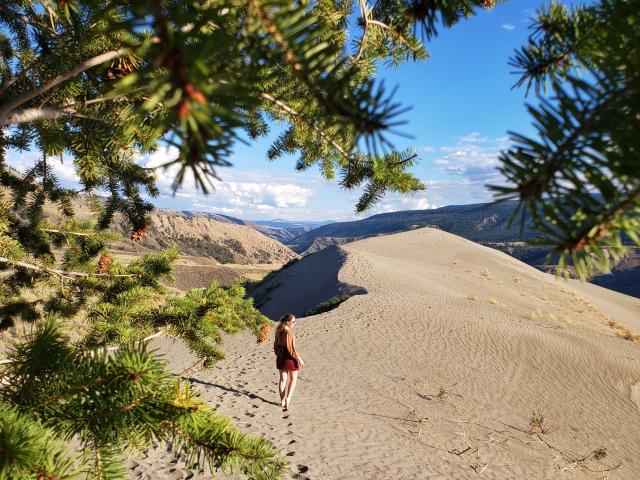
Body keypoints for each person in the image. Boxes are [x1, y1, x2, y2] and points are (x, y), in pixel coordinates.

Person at [273, 313, 304, 411]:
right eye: (293, 322)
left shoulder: (278, 331)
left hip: (281, 358)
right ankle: (288, 399)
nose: (294, 323)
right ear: (287, 322)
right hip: (290, 358)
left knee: (282, 380)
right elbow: (291, 349)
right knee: (293, 379)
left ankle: (282, 401)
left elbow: (275, 346)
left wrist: (278, 355)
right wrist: (298, 358)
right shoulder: (288, 333)